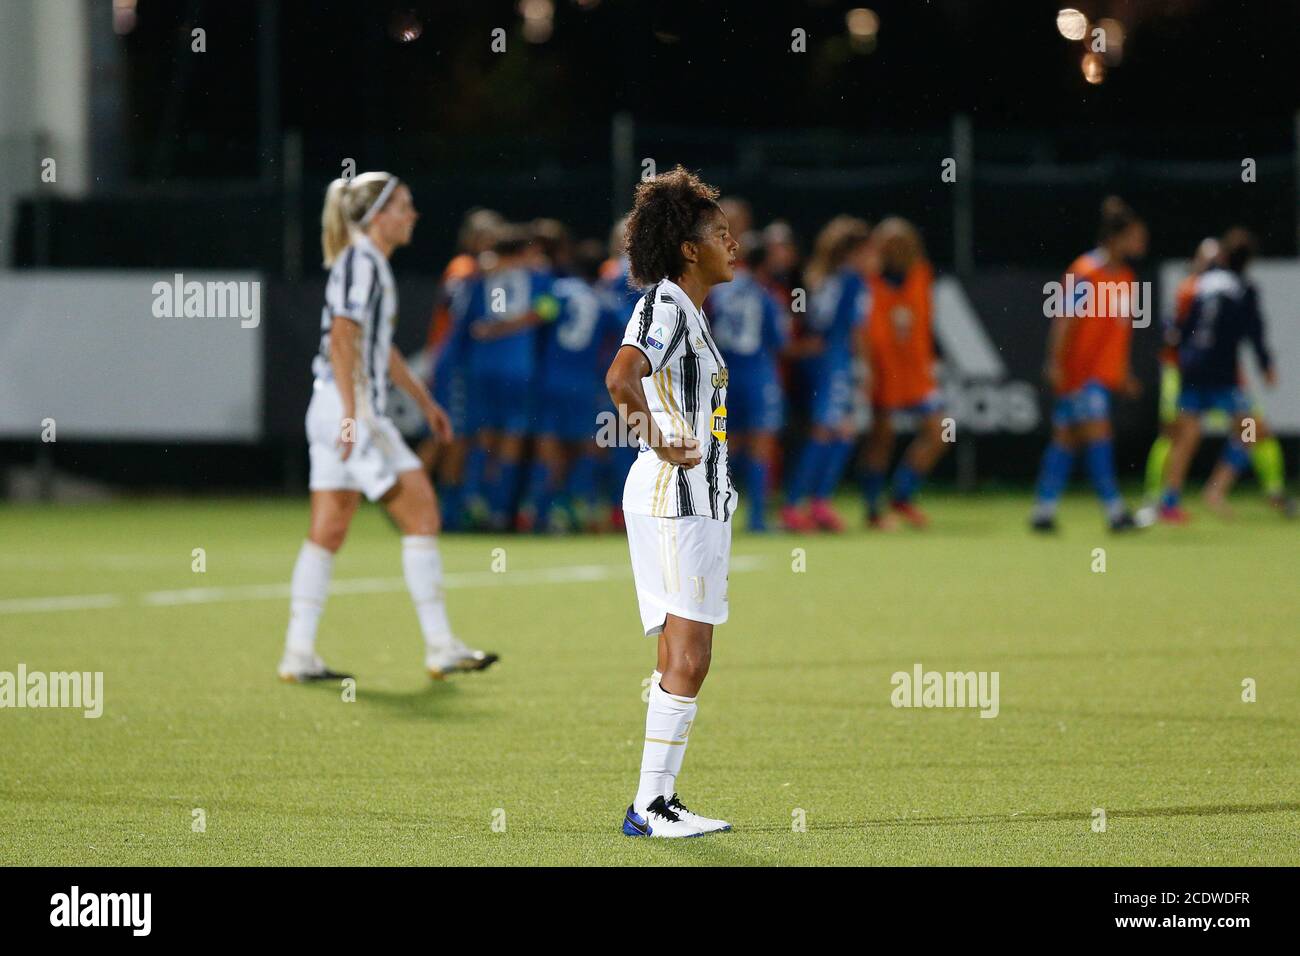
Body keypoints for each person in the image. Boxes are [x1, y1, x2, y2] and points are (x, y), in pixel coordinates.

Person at [278, 172, 497, 682]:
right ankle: (441, 646)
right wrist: (354, 413)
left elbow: (377, 346)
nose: (412, 215)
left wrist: (424, 400)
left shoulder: (365, 261)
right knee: (421, 514)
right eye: (404, 206)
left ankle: (298, 652)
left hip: (331, 407)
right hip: (347, 410)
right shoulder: (362, 261)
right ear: (378, 216)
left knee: (327, 531)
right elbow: (341, 337)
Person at [605, 166, 738, 838]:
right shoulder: (666, 305)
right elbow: (621, 378)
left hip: (678, 498)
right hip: (681, 499)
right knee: (692, 653)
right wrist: (660, 440)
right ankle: (651, 806)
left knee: (676, 654)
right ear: (689, 248)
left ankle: (657, 799)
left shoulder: (678, 307)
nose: (732, 244)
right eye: (720, 233)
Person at [1030, 197, 1147, 533]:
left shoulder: (1126, 277)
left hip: (1101, 374)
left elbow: (1119, 331)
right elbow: (1064, 320)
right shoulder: (1085, 272)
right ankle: (1115, 512)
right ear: (1116, 238)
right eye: (1135, 236)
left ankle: (1043, 511)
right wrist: (1054, 363)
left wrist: (1122, 373)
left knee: (1066, 439)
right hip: (1080, 373)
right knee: (1098, 435)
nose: (1141, 243)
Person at [1158, 228, 1290, 521]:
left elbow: (1180, 328)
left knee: (1187, 436)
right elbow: (1254, 332)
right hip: (1221, 374)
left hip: (1191, 368)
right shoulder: (1243, 289)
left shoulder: (1199, 285)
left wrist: (1177, 356)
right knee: (1250, 430)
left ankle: (1169, 502)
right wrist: (1266, 365)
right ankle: (1216, 490)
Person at [782, 216, 873, 532]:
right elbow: (853, 329)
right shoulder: (851, 281)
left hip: (822, 360)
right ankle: (795, 506)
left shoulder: (821, 276)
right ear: (854, 252)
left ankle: (818, 503)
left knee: (842, 431)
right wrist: (864, 367)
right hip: (835, 360)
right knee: (827, 430)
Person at [860, 217, 946, 529]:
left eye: (902, 243)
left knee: (940, 430)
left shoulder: (921, 273)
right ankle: (873, 509)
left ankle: (902, 495)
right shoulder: (868, 279)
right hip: (883, 370)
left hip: (917, 372)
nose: (896, 250)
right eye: (889, 244)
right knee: (882, 438)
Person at [709, 232, 790, 531]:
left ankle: (717, 512)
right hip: (758, 376)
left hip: (723, 376)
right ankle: (757, 517)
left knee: (724, 445)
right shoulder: (766, 295)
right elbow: (778, 341)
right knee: (760, 444)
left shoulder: (720, 291)